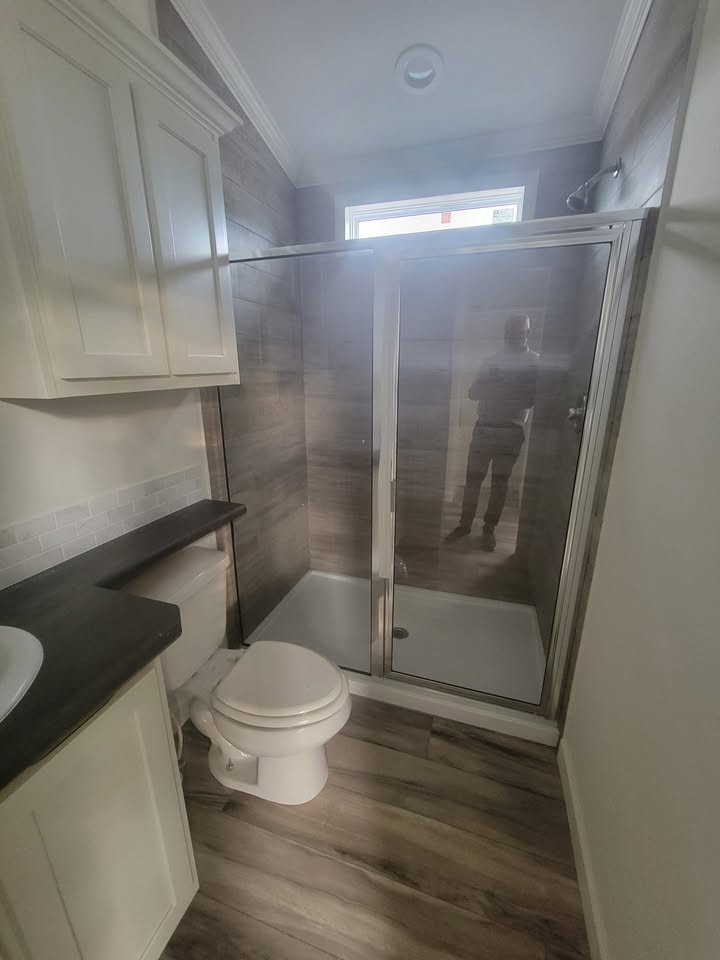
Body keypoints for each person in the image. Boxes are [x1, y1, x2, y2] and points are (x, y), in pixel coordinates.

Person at [445, 313, 538, 551]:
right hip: (485, 428)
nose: (515, 336)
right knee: (473, 480)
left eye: (520, 331)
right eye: (511, 332)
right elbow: (473, 393)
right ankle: (465, 525)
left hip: (511, 431)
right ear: (505, 333)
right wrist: (492, 382)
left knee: (500, 484)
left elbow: (531, 400)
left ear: (527, 333)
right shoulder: (491, 361)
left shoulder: (535, 363)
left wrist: (510, 386)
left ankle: (489, 529)